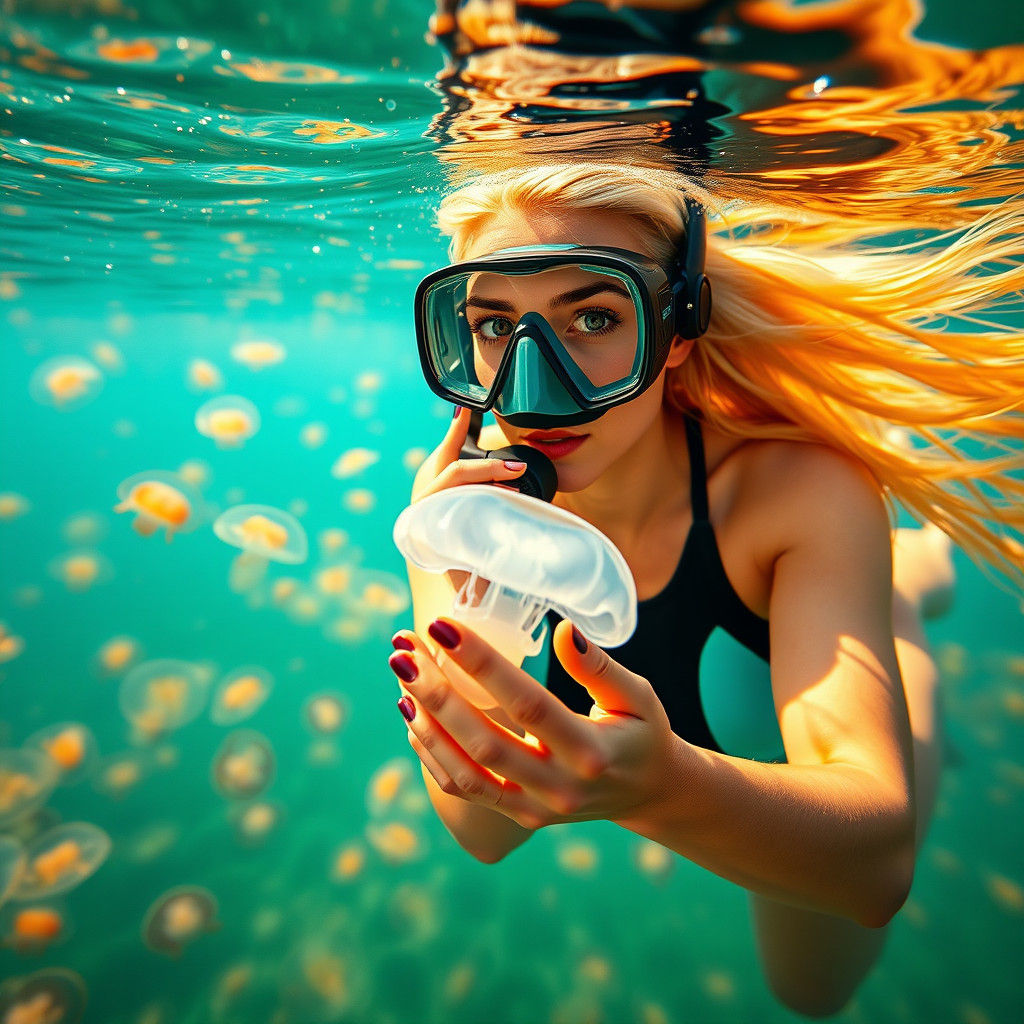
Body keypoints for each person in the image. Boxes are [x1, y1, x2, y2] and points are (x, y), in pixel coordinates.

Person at [388, 161, 1023, 1017]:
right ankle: (889, 575)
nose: (533, 391)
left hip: (782, 702)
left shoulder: (798, 493)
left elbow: (876, 870)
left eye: (594, 317)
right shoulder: (460, 511)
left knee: (812, 990)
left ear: (677, 329)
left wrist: (663, 787)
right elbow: (481, 828)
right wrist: (446, 562)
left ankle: (895, 593)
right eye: (496, 325)